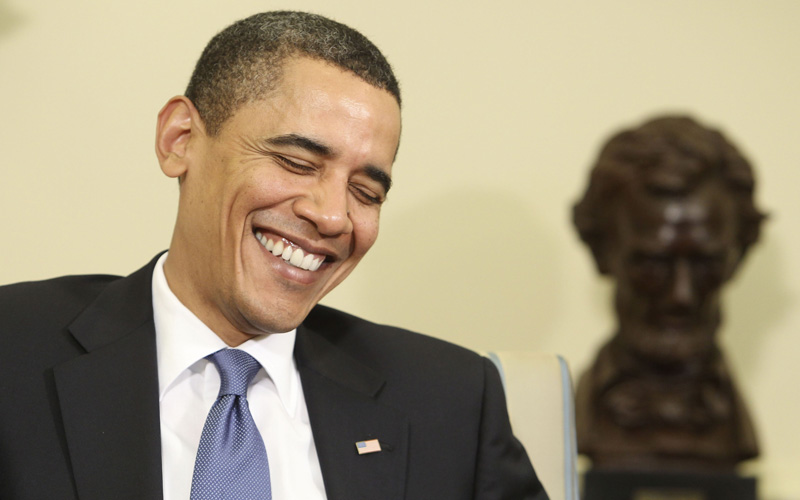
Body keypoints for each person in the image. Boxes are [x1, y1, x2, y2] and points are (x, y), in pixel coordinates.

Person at [0, 11, 547, 500]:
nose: (333, 216)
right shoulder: (13, 351)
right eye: (297, 162)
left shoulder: (450, 401)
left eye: (366, 192)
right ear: (180, 138)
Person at [572, 115, 765, 471]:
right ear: (601, 251)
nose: (681, 295)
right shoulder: (573, 418)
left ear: (740, 254)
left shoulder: (731, 419)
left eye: (706, 264)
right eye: (652, 264)